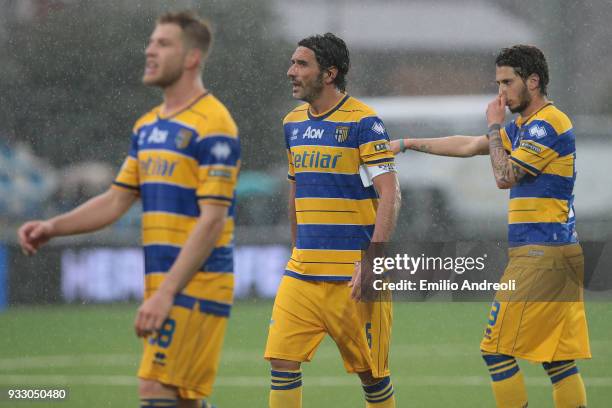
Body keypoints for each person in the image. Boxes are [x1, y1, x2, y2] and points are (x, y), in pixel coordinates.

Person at [17, 11, 239, 408]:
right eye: (151, 42)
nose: (150, 50)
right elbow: (117, 199)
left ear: (192, 58)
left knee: (155, 392)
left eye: (163, 43)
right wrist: (53, 227)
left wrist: (166, 293)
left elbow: (213, 219)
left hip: (196, 284)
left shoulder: (214, 124)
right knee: (182, 399)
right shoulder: (147, 127)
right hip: (165, 284)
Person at [391, 45, 590, 408]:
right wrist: (406, 144)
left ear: (533, 81)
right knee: (558, 360)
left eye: (507, 82)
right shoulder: (527, 126)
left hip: (542, 255)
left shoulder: (548, 124)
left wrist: (496, 125)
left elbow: (504, 175)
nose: (500, 92)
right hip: (555, 253)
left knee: (496, 351)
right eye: (498, 82)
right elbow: (469, 145)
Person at [264, 33, 401, 408]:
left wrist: (374, 261)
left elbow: (390, 192)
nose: (291, 71)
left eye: (301, 64)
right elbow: (296, 190)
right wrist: (297, 250)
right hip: (303, 273)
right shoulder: (292, 123)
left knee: (372, 377)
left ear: (329, 73)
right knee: (282, 362)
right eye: (293, 62)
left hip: (354, 275)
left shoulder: (364, 122)